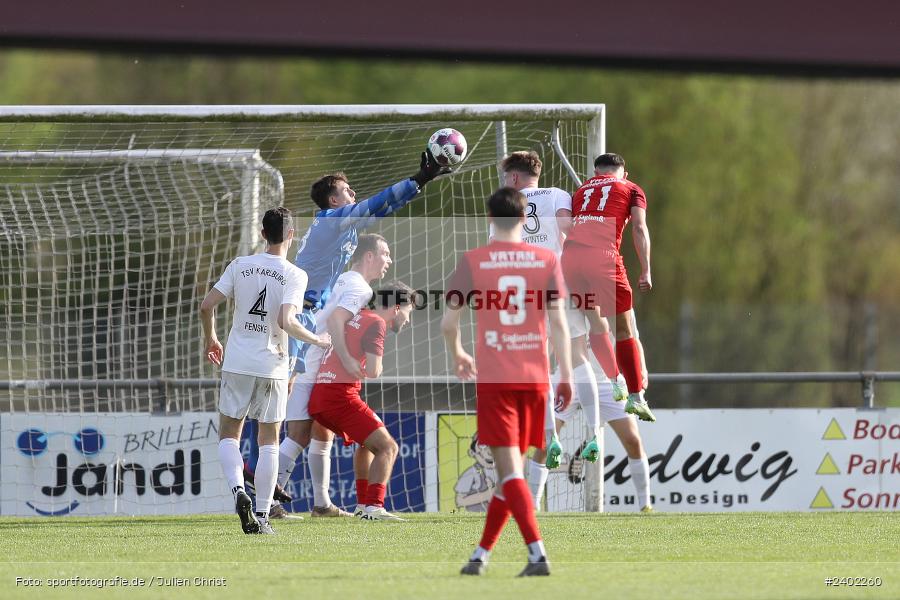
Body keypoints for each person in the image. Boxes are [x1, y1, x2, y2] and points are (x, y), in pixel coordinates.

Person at [271, 152, 446, 518]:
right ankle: (262, 493)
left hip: (307, 322)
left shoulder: (344, 231)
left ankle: (314, 502)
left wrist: (419, 183)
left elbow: (382, 210)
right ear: (334, 200)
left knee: (313, 431)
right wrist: (418, 175)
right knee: (293, 424)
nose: (354, 195)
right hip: (299, 324)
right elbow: (375, 204)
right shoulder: (332, 220)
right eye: (348, 191)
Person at [441, 187, 573, 577]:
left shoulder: (474, 261)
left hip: (497, 377)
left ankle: (537, 555)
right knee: (507, 474)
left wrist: (459, 353)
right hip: (536, 377)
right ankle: (480, 555)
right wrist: (564, 374)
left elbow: (449, 322)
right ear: (523, 220)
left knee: (510, 472)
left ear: (489, 219)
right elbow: (560, 325)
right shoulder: (547, 259)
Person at [199, 207, 330, 534]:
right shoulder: (295, 274)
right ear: (291, 234)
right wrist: (318, 339)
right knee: (269, 440)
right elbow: (287, 321)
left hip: (237, 361)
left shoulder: (240, 265)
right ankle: (261, 516)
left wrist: (211, 338)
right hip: (273, 364)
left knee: (229, 434)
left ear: (262, 234)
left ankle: (237, 491)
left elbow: (206, 305)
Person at [495, 151, 606, 496]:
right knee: (577, 355)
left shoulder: (505, 203)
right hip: (562, 279)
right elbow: (568, 231)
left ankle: (551, 436)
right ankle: (594, 433)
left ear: (513, 178)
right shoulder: (559, 195)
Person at [275, 234, 392, 517]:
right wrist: (348, 359)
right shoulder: (360, 288)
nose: (388, 260)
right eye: (385, 254)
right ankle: (264, 500)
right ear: (368, 256)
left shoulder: (344, 279)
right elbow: (336, 320)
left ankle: (321, 504)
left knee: (320, 433)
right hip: (310, 362)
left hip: (309, 360)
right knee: (298, 435)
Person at [309, 281, 415, 521]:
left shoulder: (360, 315)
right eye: (409, 312)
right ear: (397, 308)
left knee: (367, 445)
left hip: (321, 394)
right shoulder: (377, 323)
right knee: (388, 447)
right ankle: (374, 507)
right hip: (339, 396)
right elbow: (374, 371)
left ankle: (362, 505)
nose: (408, 320)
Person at [562, 153, 655, 422]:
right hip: (602, 258)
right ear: (623, 173)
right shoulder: (631, 188)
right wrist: (646, 268)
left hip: (571, 259)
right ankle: (636, 397)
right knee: (623, 328)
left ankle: (616, 382)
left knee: (595, 323)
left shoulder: (580, 191)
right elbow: (639, 227)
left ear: (595, 173)